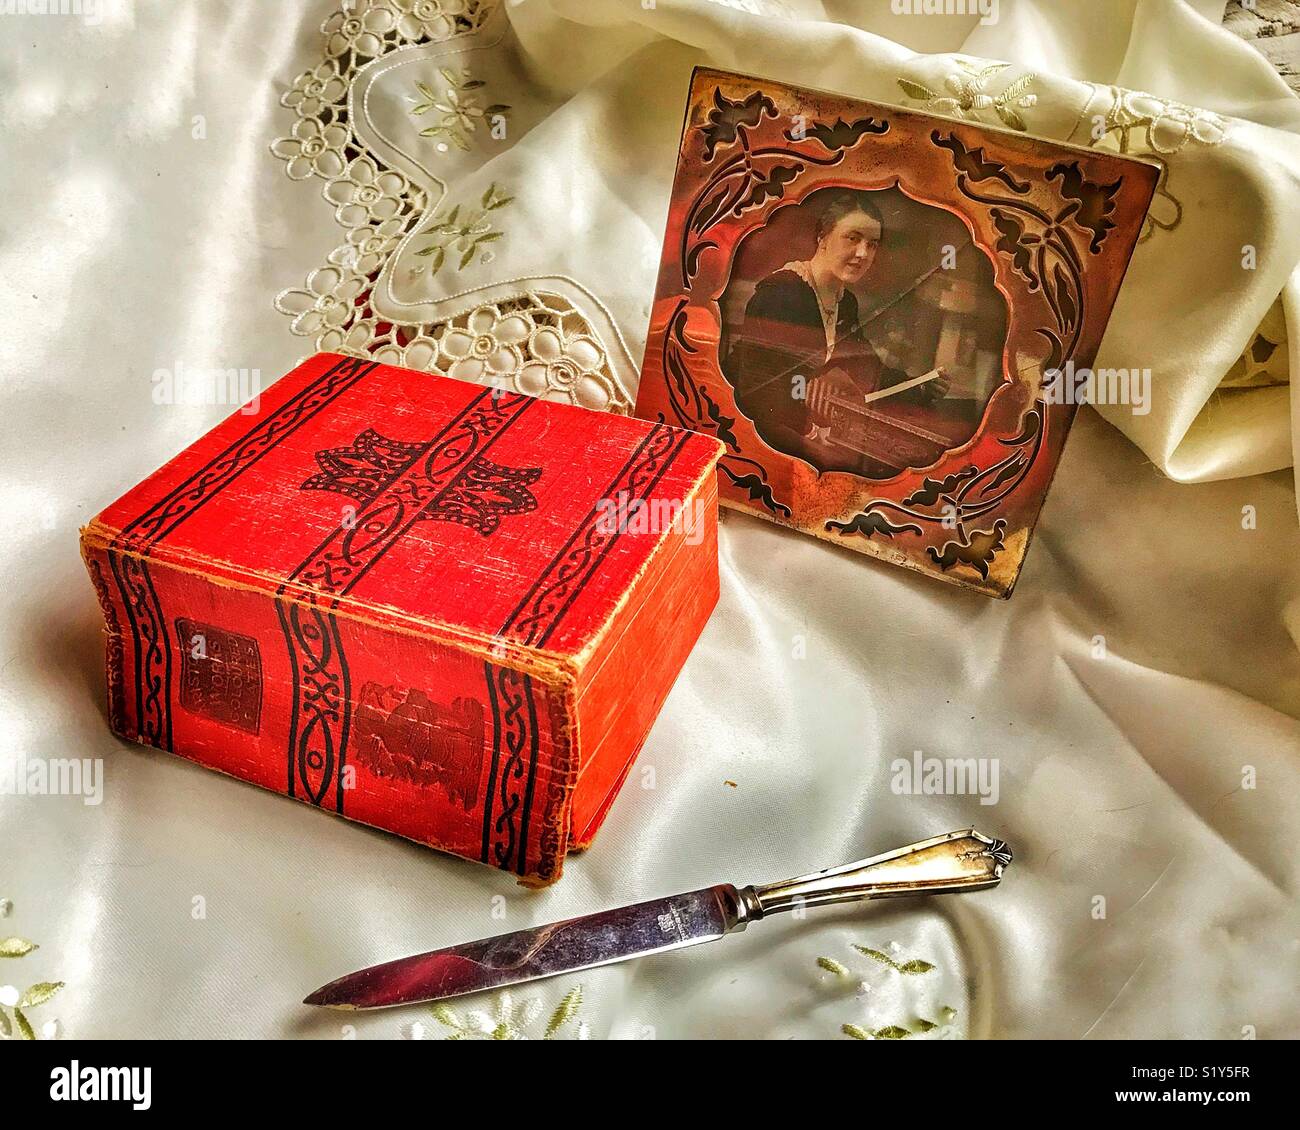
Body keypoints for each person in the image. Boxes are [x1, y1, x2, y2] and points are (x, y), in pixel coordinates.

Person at [727, 190, 949, 473]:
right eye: (853, 238)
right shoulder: (781, 294)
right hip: (750, 436)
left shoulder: (845, 302)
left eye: (872, 244)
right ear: (823, 237)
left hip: (798, 428)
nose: (863, 254)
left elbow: (865, 366)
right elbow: (759, 396)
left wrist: (919, 385)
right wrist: (810, 446)